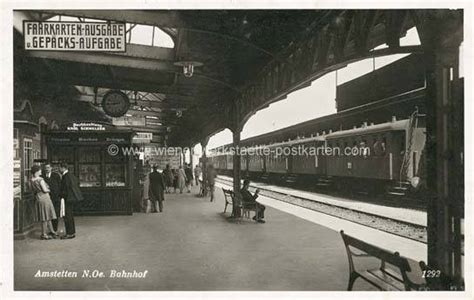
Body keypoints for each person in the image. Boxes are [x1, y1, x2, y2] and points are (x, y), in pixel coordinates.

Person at [30, 165, 58, 239]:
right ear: (36, 171)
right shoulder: (40, 179)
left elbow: (33, 190)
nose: (41, 171)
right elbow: (45, 190)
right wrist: (49, 189)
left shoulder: (32, 180)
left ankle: (52, 231)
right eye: (40, 170)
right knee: (45, 217)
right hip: (45, 198)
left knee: (46, 216)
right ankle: (44, 234)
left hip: (38, 197)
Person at [59, 162, 83, 239]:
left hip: (67, 198)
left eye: (59, 168)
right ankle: (72, 232)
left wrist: (60, 195)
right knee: (70, 215)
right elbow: (77, 183)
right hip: (72, 198)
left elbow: (65, 189)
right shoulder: (71, 175)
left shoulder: (65, 176)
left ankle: (69, 233)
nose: (59, 169)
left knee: (67, 216)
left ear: (63, 168)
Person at [42, 163, 62, 232]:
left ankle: (55, 230)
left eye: (48, 167)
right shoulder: (42, 176)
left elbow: (60, 187)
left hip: (55, 198)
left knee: (55, 214)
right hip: (46, 198)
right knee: (47, 214)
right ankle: (50, 230)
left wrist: (58, 196)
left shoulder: (56, 176)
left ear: (51, 168)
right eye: (45, 168)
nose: (46, 169)